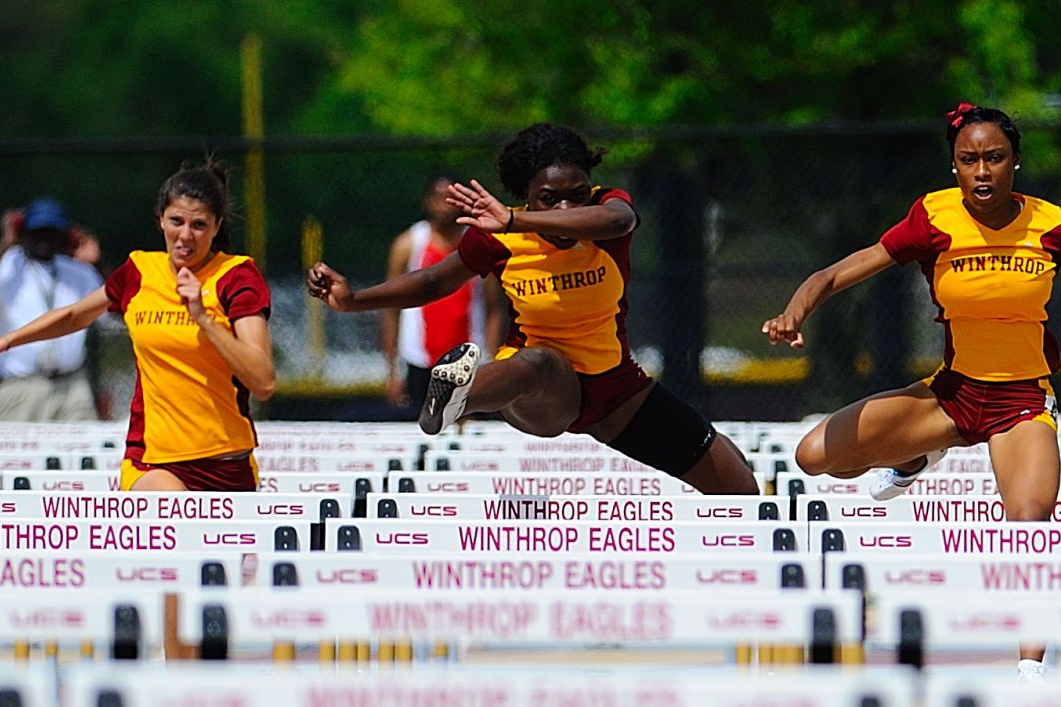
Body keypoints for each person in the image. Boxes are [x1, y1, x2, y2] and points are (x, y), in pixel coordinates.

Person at [761, 102, 1061, 680]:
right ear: (953, 165)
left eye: (994, 158)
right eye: (968, 159)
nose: (981, 171)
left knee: (1029, 522)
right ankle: (917, 454)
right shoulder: (933, 217)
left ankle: (1030, 668)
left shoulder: (1049, 224)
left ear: (1014, 162)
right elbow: (840, 271)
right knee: (815, 457)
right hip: (951, 395)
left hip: (1021, 401)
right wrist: (795, 310)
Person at [306, 123, 758, 494]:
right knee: (540, 362)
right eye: (549, 198)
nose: (565, 207)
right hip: (540, 392)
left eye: (576, 195)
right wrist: (352, 301)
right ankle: (457, 398)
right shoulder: (499, 237)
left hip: (619, 390)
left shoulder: (605, 211)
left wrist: (517, 218)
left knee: (740, 486)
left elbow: (618, 220)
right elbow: (433, 279)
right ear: (526, 192)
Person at [0, 164, 275, 491]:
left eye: (199, 225)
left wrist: (204, 319)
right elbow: (75, 315)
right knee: (174, 513)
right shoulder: (139, 271)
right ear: (161, 218)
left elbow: (262, 381)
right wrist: (0, 344)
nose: (185, 236)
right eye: (177, 221)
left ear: (217, 226)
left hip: (227, 463)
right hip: (154, 459)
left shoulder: (236, 277)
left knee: (224, 543)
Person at [0, 197, 105, 422]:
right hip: (19, 387)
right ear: (23, 232)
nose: (44, 240)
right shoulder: (5, 265)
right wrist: (5, 243)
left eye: (51, 233)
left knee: (82, 452)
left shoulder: (79, 272)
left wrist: (98, 263)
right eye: (37, 232)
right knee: (14, 457)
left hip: (70, 386)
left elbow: (118, 308)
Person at [382, 172, 502, 419]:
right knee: (426, 425)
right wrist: (392, 371)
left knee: (469, 424)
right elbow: (390, 308)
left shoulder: (480, 243)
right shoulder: (408, 244)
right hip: (420, 360)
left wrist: (493, 359)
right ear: (427, 201)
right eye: (438, 198)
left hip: (469, 357)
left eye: (451, 198)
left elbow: (493, 307)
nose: (444, 205)